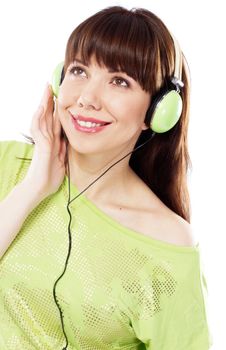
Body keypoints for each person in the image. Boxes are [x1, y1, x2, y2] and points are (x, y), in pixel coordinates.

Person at [0, 5, 213, 350]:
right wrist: (32, 188)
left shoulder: (167, 244)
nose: (86, 98)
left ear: (158, 111)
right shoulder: (8, 165)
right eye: (79, 71)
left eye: (119, 81)